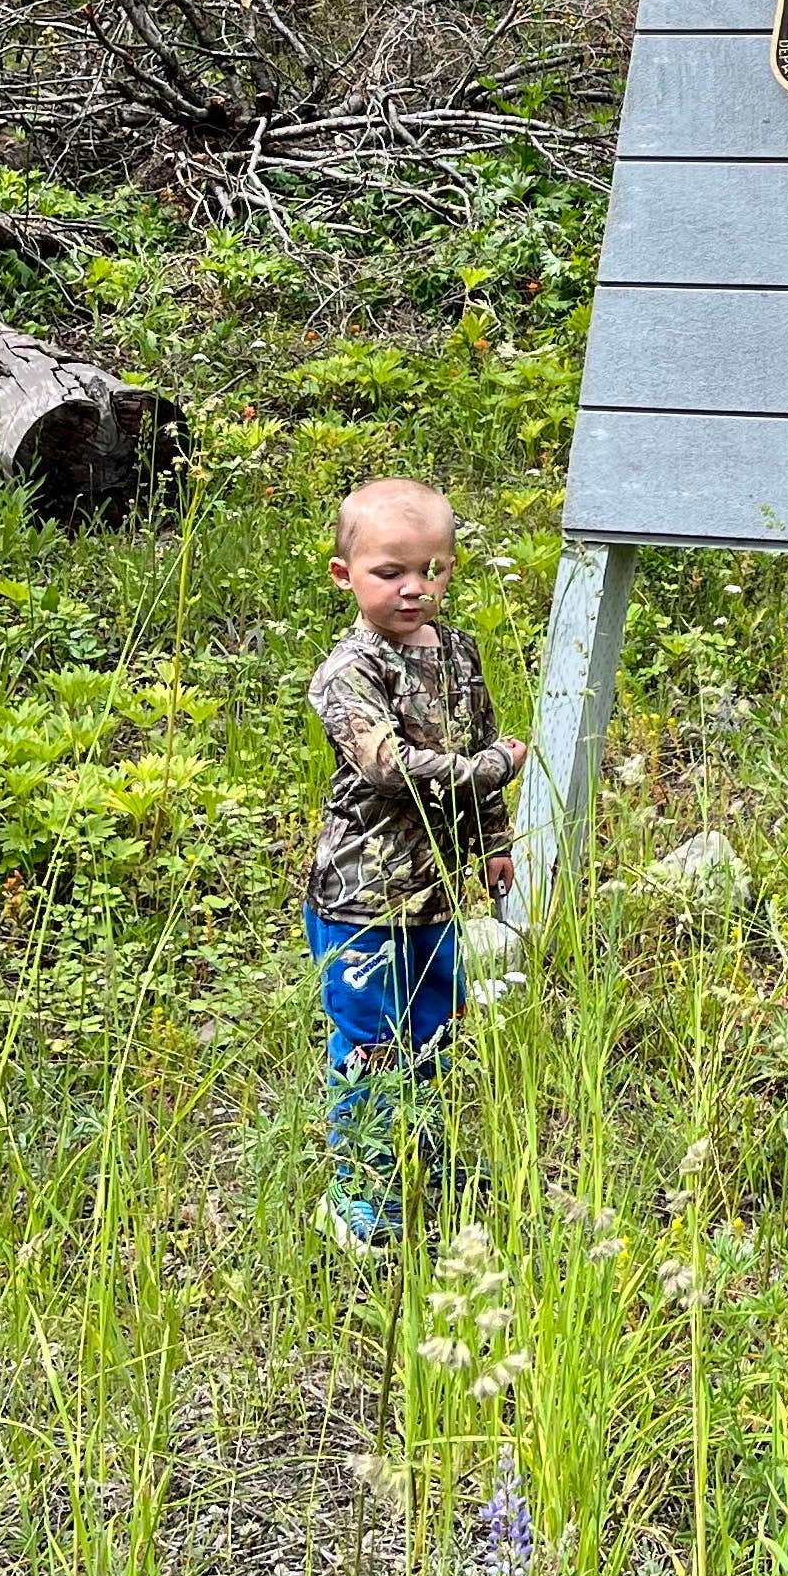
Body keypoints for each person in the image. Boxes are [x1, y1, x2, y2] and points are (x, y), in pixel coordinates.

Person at [304, 475, 526, 1257]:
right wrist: (494, 769)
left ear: (450, 568)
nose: (411, 588)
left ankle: (419, 1154)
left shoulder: (460, 654)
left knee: (433, 1032)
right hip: (362, 893)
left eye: (428, 569)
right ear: (346, 575)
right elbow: (387, 765)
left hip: (432, 894)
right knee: (370, 1042)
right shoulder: (349, 672)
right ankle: (357, 1190)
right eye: (388, 571)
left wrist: (494, 839)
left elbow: (476, 741)